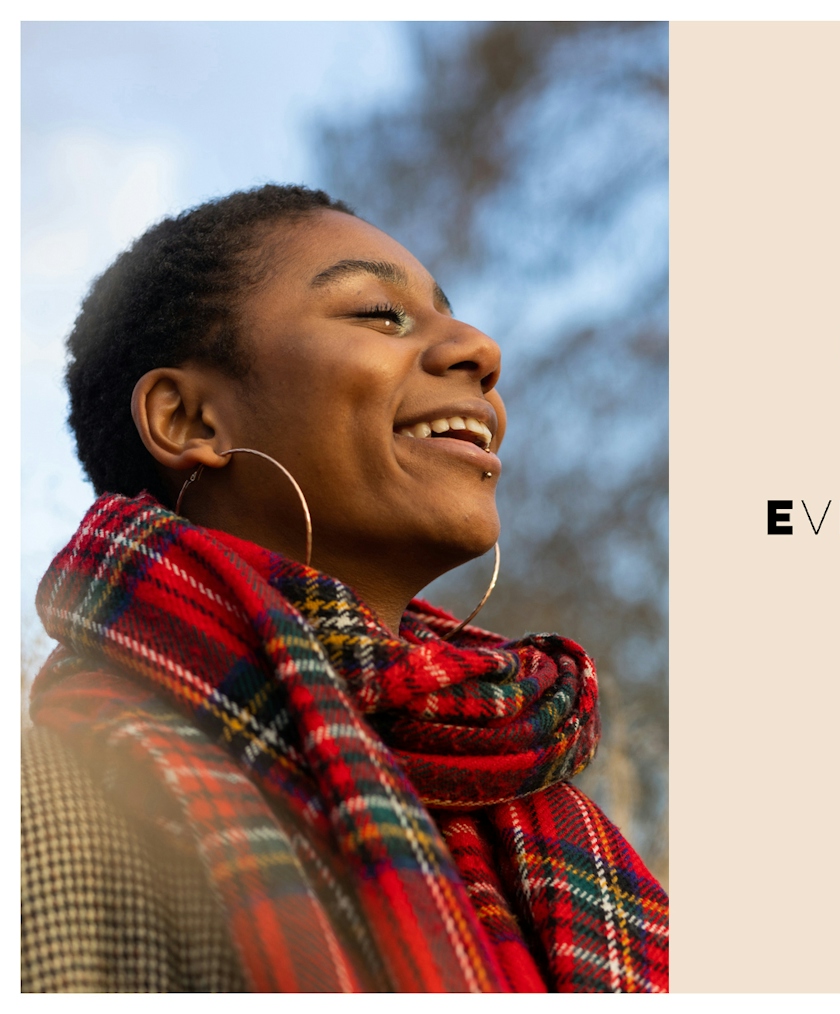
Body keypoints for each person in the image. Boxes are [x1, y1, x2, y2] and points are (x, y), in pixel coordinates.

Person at [20, 184, 669, 993]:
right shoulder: (49, 813)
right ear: (189, 421)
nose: (480, 349)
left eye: (449, 315)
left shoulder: (551, 822)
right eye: (378, 314)